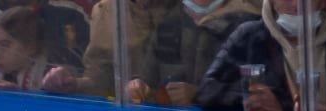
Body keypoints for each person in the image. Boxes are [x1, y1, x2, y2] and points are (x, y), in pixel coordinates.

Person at [196, 0, 326, 111]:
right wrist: (257, 99)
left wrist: (283, 106)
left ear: (324, 2)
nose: (297, 5)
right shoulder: (249, 37)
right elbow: (208, 91)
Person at [73, 0, 261, 103]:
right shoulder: (169, 22)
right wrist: (140, 86)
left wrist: (200, 96)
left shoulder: (248, 23)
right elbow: (146, 78)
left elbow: (258, 94)